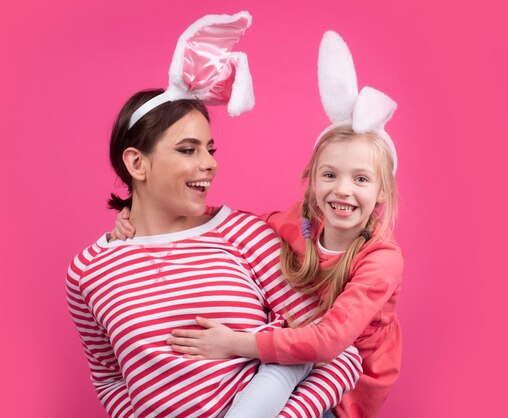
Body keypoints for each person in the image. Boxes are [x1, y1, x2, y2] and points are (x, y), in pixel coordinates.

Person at [67, 14, 362, 418]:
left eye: (210, 149)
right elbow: (109, 379)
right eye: (188, 150)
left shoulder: (244, 233)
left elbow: (335, 351)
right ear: (137, 163)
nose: (210, 164)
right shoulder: (88, 271)